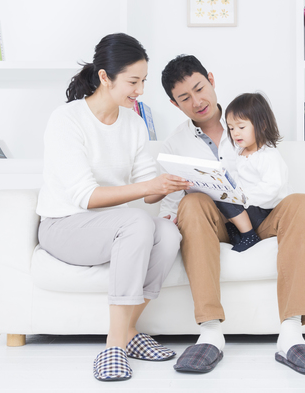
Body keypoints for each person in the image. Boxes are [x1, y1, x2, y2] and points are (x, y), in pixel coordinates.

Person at [159, 55, 305, 375]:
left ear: (212, 80)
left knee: (301, 201)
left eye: (200, 88)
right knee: (191, 203)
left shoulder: (246, 118)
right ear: (175, 104)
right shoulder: (176, 142)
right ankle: (210, 334)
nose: (196, 101)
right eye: (184, 97)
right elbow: (171, 200)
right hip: (217, 224)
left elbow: (272, 174)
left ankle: (292, 336)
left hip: (262, 215)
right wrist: (167, 220)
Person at [36, 33, 190, 382]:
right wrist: (148, 188)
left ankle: (130, 331)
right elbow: (86, 197)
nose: (140, 90)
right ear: (105, 77)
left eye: (143, 81)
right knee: (137, 223)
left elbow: (149, 189)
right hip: (64, 226)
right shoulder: (67, 120)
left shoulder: (134, 124)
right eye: (133, 81)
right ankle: (114, 346)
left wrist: (176, 179)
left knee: (166, 232)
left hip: (111, 227)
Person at [215, 92, 290, 252]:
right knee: (219, 198)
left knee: (227, 201)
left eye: (241, 127)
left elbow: (273, 186)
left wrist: (242, 197)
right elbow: (239, 179)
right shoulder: (240, 153)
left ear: (262, 125)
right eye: (231, 128)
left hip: (264, 209)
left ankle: (249, 234)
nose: (235, 133)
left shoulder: (267, 154)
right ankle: (236, 231)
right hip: (249, 206)